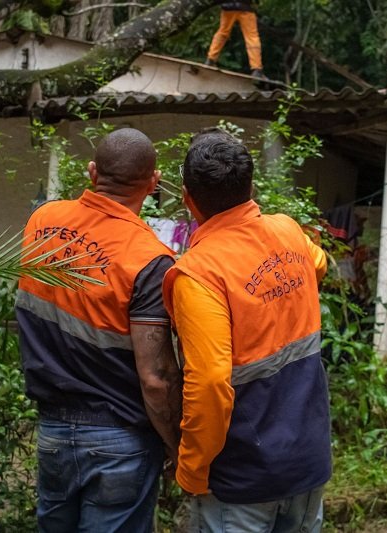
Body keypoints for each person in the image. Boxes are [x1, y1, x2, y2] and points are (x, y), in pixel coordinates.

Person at [162, 132, 332, 532]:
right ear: (251, 186)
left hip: (243, 479)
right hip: (307, 460)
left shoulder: (199, 273)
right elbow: (318, 264)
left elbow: (209, 384)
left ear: (187, 198)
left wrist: (192, 469)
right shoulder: (288, 232)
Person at [16, 128, 182, 532]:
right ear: (153, 182)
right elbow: (156, 379)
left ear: (92, 173)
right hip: (121, 438)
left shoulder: (43, 221)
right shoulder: (150, 259)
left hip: (53, 429)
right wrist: (179, 446)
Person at [205, 0, 265, 79]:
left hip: (228, 7)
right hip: (245, 7)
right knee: (252, 37)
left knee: (222, 33)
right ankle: (256, 69)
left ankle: (210, 60)